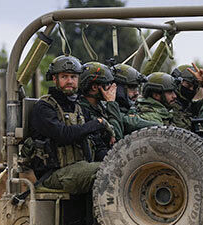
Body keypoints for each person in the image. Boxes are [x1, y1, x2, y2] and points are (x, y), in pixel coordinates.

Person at [27, 55, 109, 194]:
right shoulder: (44, 107)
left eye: (73, 77)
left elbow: (97, 144)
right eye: (64, 77)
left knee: (118, 167)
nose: (69, 81)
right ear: (55, 79)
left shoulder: (80, 108)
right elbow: (63, 134)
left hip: (79, 169)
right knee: (107, 171)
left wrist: (114, 158)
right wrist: (97, 123)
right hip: (53, 175)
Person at [77, 61, 123, 161]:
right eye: (107, 84)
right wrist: (111, 102)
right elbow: (118, 137)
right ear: (94, 87)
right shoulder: (83, 109)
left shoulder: (99, 106)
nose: (111, 88)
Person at [110, 63, 156, 139]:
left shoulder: (130, 108)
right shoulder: (108, 108)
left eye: (137, 88)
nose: (136, 93)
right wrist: (163, 127)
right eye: (132, 87)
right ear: (118, 88)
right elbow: (131, 122)